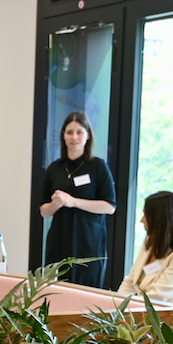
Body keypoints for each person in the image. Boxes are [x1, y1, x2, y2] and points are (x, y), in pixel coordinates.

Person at [40, 111, 116, 288]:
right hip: (59, 241)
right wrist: (56, 204)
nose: (74, 137)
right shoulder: (54, 169)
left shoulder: (98, 167)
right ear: (63, 136)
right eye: (69, 132)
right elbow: (44, 211)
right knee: (55, 292)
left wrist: (74, 202)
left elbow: (109, 206)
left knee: (86, 294)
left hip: (88, 243)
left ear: (88, 135)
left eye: (79, 132)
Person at [118, 191, 173, 307]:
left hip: (171, 313)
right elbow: (130, 282)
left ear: (159, 219)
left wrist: (126, 308)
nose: (142, 220)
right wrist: (116, 305)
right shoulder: (149, 243)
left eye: (145, 215)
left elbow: (158, 295)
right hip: (144, 308)